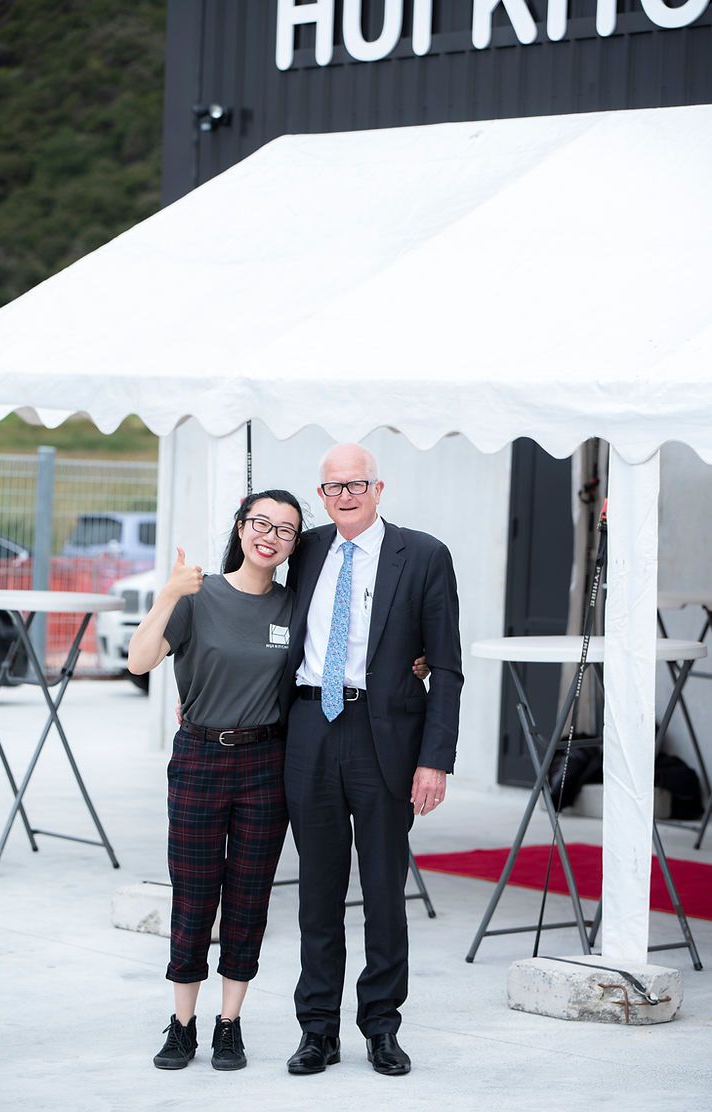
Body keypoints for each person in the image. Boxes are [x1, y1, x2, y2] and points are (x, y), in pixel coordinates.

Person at [282, 443, 463, 1077]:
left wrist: (434, 759)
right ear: (322, 494)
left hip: (384, 736)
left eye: (358, 484)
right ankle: (317, 1030)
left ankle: (381, 1027)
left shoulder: (424, 555)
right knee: (317, 892)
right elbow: (252, 609)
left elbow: (444, 666)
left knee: (384, 890)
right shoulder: (304, 550)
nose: (346, 495)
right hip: (309, 727)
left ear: (379, 489)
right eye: (333, 487)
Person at [127, 489, 303, 1073]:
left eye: (285, 530)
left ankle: (230, 1023)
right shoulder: (199, 596)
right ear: (241, 527)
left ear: (293, 545)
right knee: (195, 892)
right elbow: (138, 660)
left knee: (249, 895)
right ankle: (182, 1024)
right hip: (202, 756)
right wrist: (169, 594)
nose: (270, 535)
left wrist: (417, 661)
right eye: (261, 522)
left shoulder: (293, 607)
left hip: (265, 764)